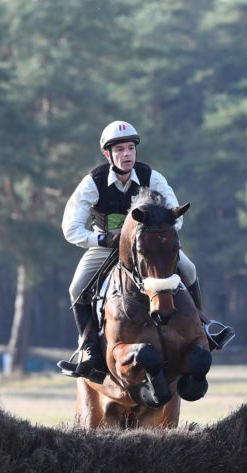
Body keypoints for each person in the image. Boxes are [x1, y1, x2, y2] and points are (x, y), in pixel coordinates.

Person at [57, 120, 233, 381]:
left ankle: (203, 328)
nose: (126, 154)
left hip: (147, 248)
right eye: (119, 150)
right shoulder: (93, 182)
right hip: (107, 247)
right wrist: (103, 239)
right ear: (108, 154)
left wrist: (155, 233)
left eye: (130, 148)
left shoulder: (152, 177)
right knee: (76, 286)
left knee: (189, 268)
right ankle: (88, 349)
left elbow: (176, 216)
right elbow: (70, 228)